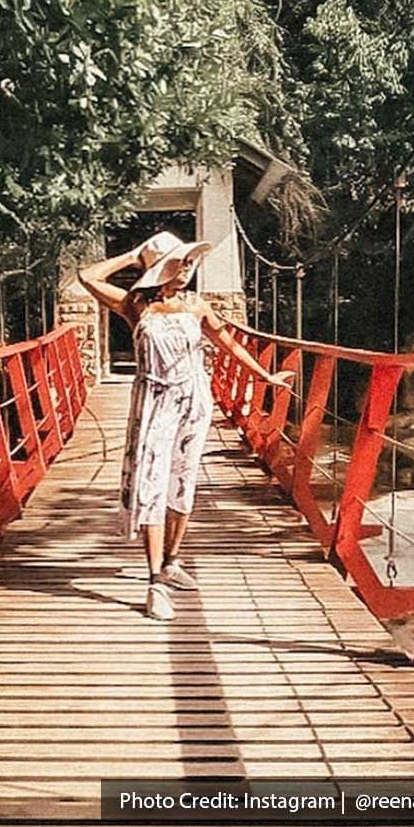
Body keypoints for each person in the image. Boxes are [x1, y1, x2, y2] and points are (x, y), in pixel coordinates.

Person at [78, 230, 295, 621]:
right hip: (154, 401)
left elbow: (227, 342)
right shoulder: (135, 305)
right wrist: (133, 255)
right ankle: (154, 583)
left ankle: (171, 561)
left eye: (189, 263)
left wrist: (265, 375)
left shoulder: (196, 305)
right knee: (151, 486)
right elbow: (88, 277)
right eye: (178, 264)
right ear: (160, 269)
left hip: (194, 399)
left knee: (183, 482)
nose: (186, 270)